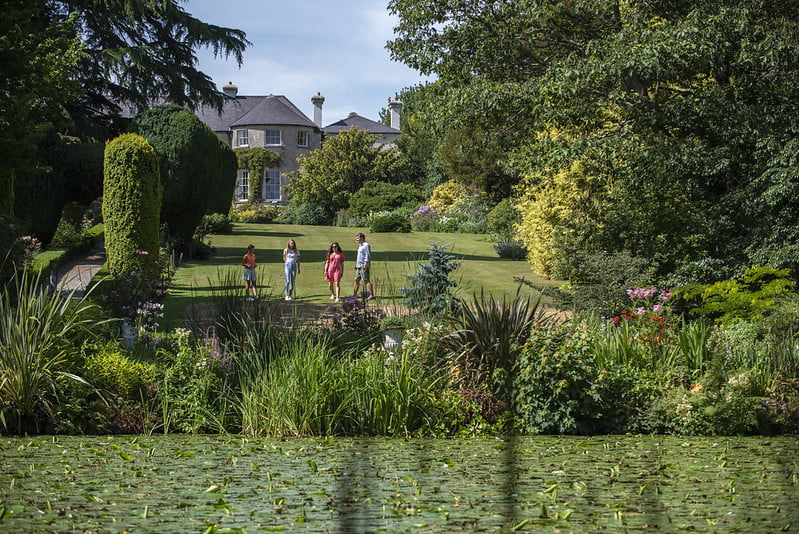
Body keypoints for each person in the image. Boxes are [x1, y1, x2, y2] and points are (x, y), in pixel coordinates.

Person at [353, 232, 374, 300]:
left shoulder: (366, 245)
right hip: (359, 266)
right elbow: (359, 256)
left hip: (363, 265)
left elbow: (367, 255)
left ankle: (371, 295)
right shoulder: (360, 245)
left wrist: (365, 264)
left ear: (362, 238)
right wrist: (356, 265)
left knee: (366, 280)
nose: (357, 240)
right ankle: (354, 295)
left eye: (358, 238)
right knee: (356, 280)